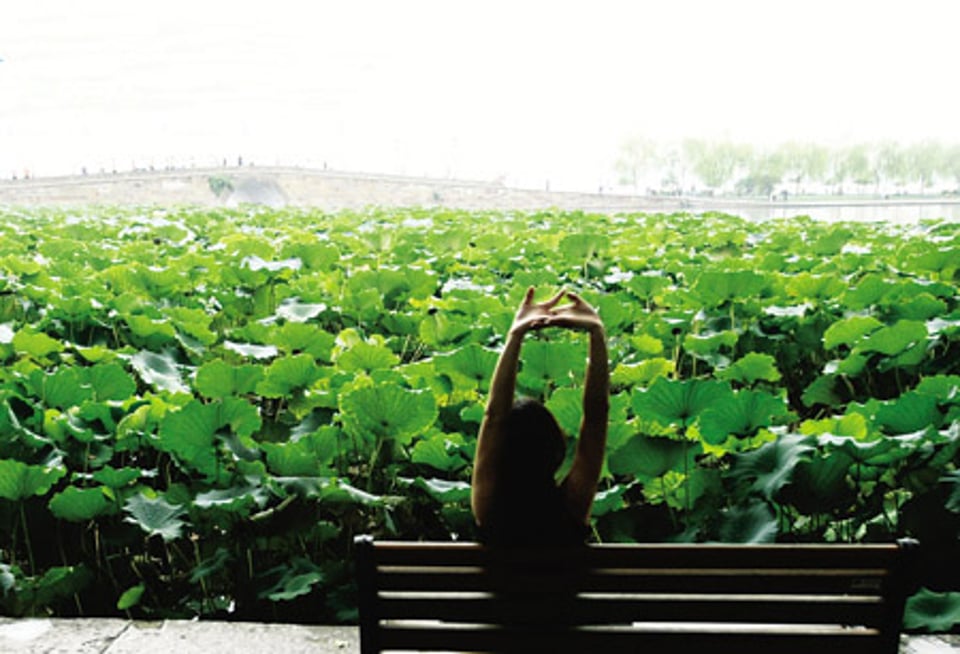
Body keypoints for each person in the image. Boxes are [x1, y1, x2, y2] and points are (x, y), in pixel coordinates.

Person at [471, 287, 609, 546]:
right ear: (557, 448)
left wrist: (515, 334)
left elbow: (494, 417)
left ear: (501, 449)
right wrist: (596, 333)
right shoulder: (572, 504)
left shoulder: (488, 506)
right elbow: (596, 417)